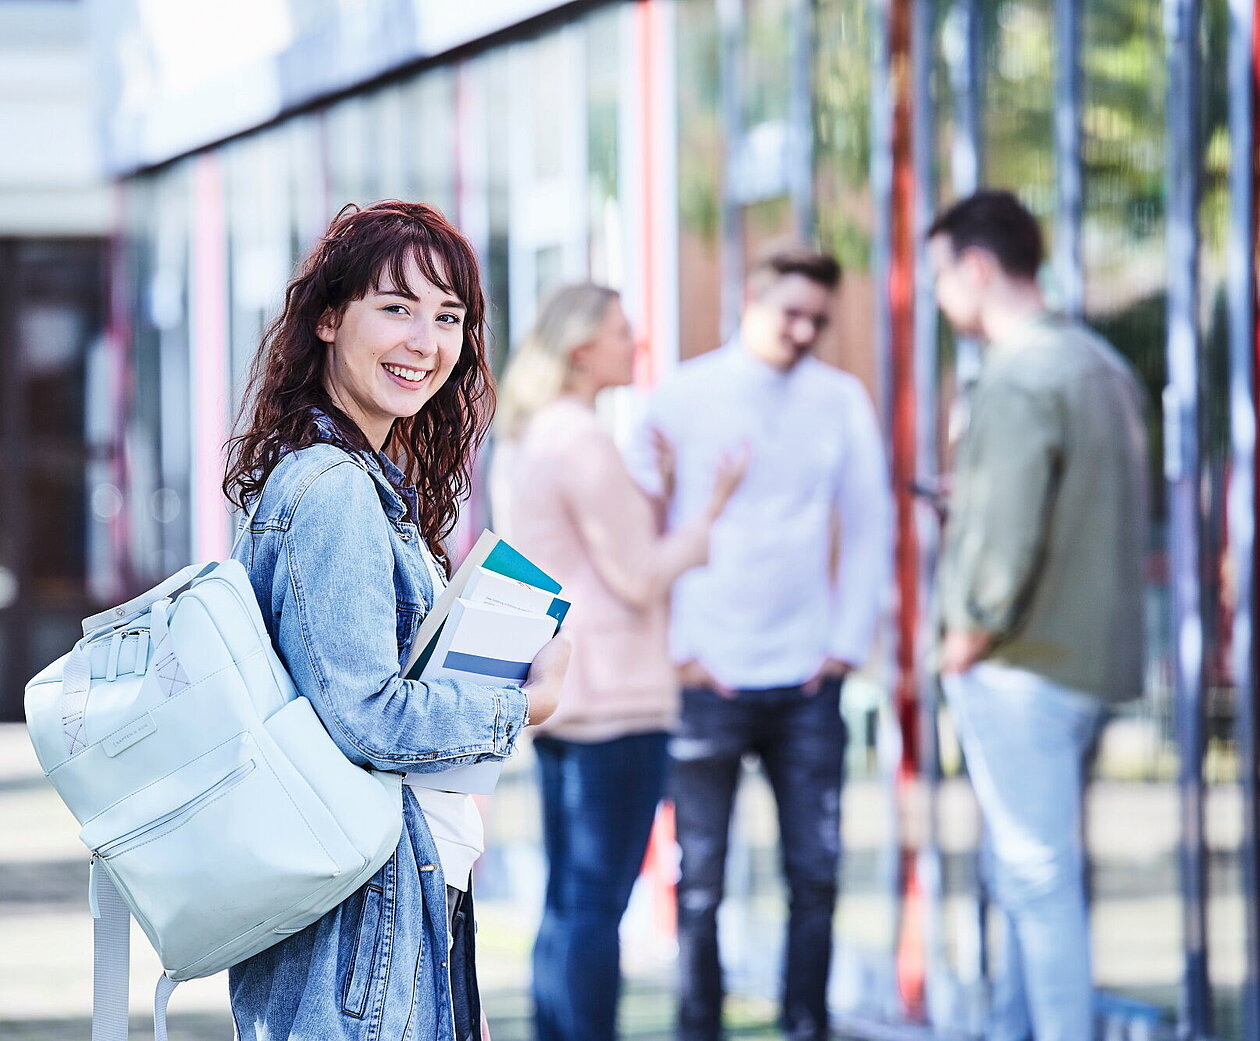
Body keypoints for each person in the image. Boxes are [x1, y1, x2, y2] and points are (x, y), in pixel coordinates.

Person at [221, 200, 570, 1041]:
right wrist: (525, 704)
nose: (426, 341)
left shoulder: (358, 480)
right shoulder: (336, 488)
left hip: (389, 909)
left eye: (447, 316)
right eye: (397, 307)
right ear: (330, 319)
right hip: (361, 936)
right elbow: (364, 712)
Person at [628, 245, 893, 1041]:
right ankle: (697, 1028)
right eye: (792, 312)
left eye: (820, 318)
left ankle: (805, 1025)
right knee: (699, 881)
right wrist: (675, 647)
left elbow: (873, 525)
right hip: (706, 675)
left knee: (816, 875)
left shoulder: (841, 399)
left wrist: (845, 645)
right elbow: (636, 524)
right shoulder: (684, 393)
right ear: (752, 298)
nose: (806, 329)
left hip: (809, 679)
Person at [492, 282, 746, 1041]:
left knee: (569, 899)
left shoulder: (533, 436)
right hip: (617, 697)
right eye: (622, 333)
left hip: (567, 690)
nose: (634, 345)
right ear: (579, 349)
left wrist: (660, 497)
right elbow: (638, 575)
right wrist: (707, 517)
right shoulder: (582, 438)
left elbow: (598, 557)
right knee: (598, 903)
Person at [927, 189, 1148, 1041]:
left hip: (1021, 664)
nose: (943, 297)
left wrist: (963, 641)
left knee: (1036, 878)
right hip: (1085, 660)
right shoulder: (1100, 364)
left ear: (978, 268)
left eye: (942, 277)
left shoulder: (1020, 374)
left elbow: (1003, 537)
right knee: (1032, 876)